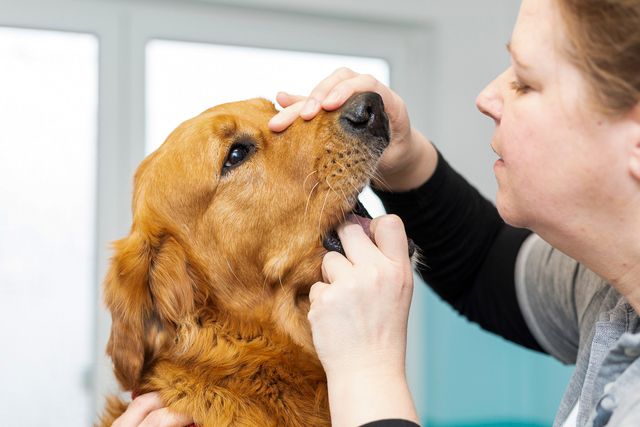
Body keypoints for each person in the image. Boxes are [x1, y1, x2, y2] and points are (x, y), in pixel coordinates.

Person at [114, 0, 640, 425]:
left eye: (525, 81)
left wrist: (369, 371)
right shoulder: (614, 293)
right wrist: (407, 159)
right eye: (239, 154)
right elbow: (485, 265)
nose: (486, 96)